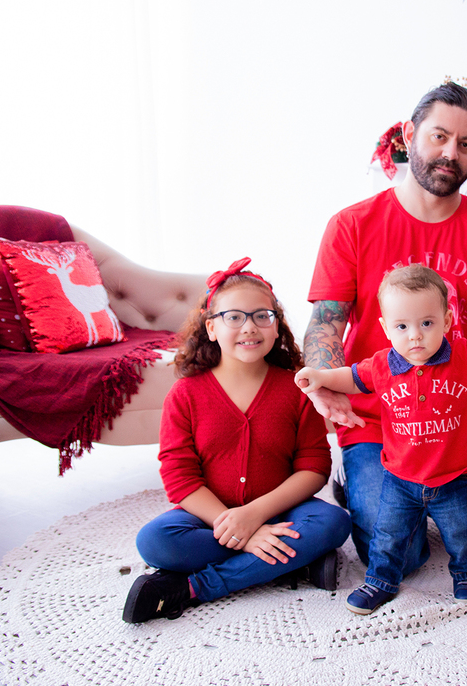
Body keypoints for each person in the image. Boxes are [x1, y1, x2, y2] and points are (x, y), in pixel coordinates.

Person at [304, 82, 467, 577]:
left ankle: (429, 500)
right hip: (378, 427)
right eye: (439, 136)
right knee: (403, 558)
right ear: (408, 134)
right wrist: (327, 385)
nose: (450, 153)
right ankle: (361, 483)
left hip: (456, 426)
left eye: (466, 144)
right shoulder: (352, 225)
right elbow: (324, 324)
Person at [296, 265, 467, 614]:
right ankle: (380, 580)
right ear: (385, 328)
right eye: (402, 327)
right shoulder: (382, 365)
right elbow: (350, 377)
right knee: (389, 536)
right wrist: (319, 376)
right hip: (399, 478)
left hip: (455, 476)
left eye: (427, 323)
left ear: (447, 320)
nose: (415, 336)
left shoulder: (465, 356)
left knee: (464, 531)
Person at [123, 258, 352, 624]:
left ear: (277, 327)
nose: (250, 327)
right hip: (211, 518)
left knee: (332, 523)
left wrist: (254, 516)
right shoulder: (186, 395)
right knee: (155, 541)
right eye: (234, 317)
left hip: (282, 513)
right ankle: (292, 565)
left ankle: (193, 588)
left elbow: (313, 468)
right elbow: (179, 476)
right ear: (211, 327)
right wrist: (242, 531)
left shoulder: (296, 390)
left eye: (263, 316)